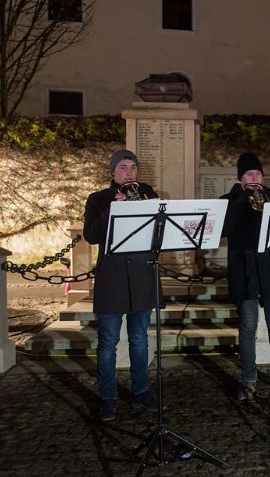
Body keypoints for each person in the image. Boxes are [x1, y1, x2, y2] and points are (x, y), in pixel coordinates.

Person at [83, 149, 159, 422]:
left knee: (139, 339)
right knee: (108, 342)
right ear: (113, 172)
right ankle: (108, 397)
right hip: (112, 279)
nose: (130, 172)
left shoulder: (148, 193)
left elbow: (159, 231)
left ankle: (140, 391)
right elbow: (90, 235)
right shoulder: (98, 199)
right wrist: (113, 209)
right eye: (124, 167)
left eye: (134, 167)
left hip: (141, 277)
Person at [220, 153, 270, 401]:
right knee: (247, 326)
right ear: (240, 178)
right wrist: (243, 199)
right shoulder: (229, 200)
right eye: (249, 174)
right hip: (243, 268)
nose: (255, 178)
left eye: (258, 174)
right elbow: (224, 229)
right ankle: (249, 379)